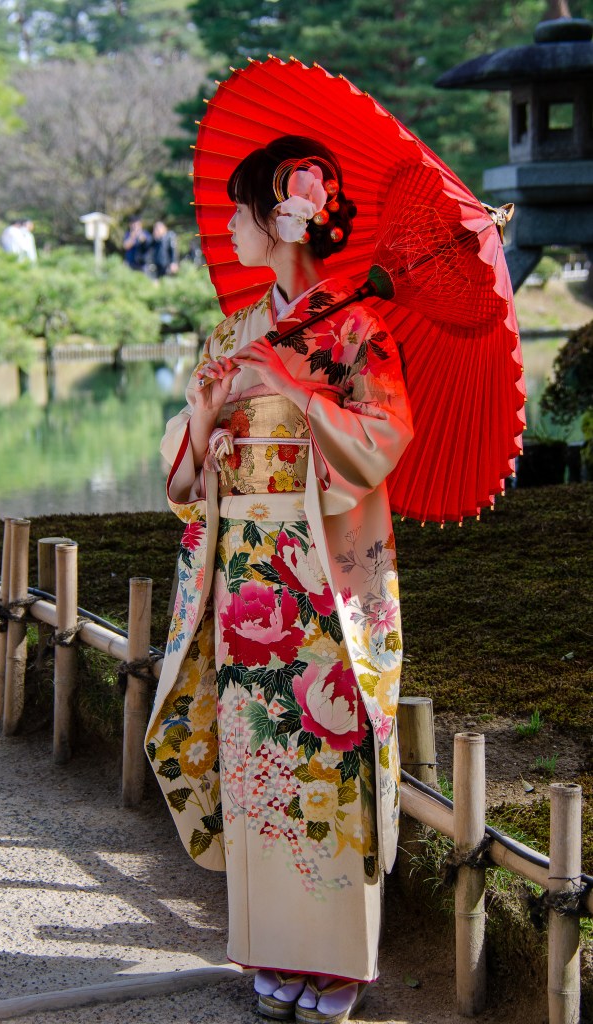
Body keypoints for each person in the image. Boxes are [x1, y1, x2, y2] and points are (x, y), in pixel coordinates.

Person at [145, 135, 413, 1024]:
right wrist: (211, 428)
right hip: (246, 573)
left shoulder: (357, 327)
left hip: (319, 575)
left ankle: (335, 961)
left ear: (286, 214)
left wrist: (294, 391)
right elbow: (185, 468)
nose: (228, 226)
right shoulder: (236, 328)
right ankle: (269, 944)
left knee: (328, 755)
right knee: (259, 753)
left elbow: (380, 440)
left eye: (239, 210)